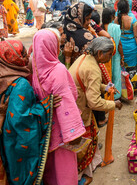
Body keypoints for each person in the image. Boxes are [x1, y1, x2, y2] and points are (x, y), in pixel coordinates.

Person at [31, 30, 86, 185]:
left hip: (45, 131)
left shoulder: (35, 70)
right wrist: (74, 134)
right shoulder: (58, 69)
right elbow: (66, 103)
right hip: (63, 132)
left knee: (50, 172)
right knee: (65, 172)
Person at [68, 37, 122, 184]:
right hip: (80, 110)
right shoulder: (93, 69)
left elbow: (87, 82)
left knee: (91, 136)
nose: (110, 58)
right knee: (84, 144)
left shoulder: (85, 58)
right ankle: (83, 175)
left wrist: (104, 87)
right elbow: (94, 102)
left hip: (75, 107)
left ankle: (90, 166)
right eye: (109, 54)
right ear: (99, 53)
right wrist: (114, 104)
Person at [0, 40, 53, 184]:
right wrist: (44, 106)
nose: (26, 58)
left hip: (5, 136)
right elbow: (21, 119)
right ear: (14, 59)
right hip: (15, 139)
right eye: (22, 54)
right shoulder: (20, 84)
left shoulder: (3, 76)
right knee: (23, 174)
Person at [115, 0, 137, 67]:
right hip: (132, 47)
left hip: (121, 47)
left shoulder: (116, 20)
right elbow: (136, 36)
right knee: (133, 67)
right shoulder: (132, 19)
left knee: (123, 68)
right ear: (128, 8)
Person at [106, 8, 124, 100]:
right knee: (116, 76)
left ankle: (108, 94)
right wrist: (122, 57)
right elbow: (119, 45)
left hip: (105, 57)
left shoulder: (100, 27)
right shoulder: (116, 27)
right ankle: (116, 96)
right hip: (115, 55)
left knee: (107, 76)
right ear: (112, 17)